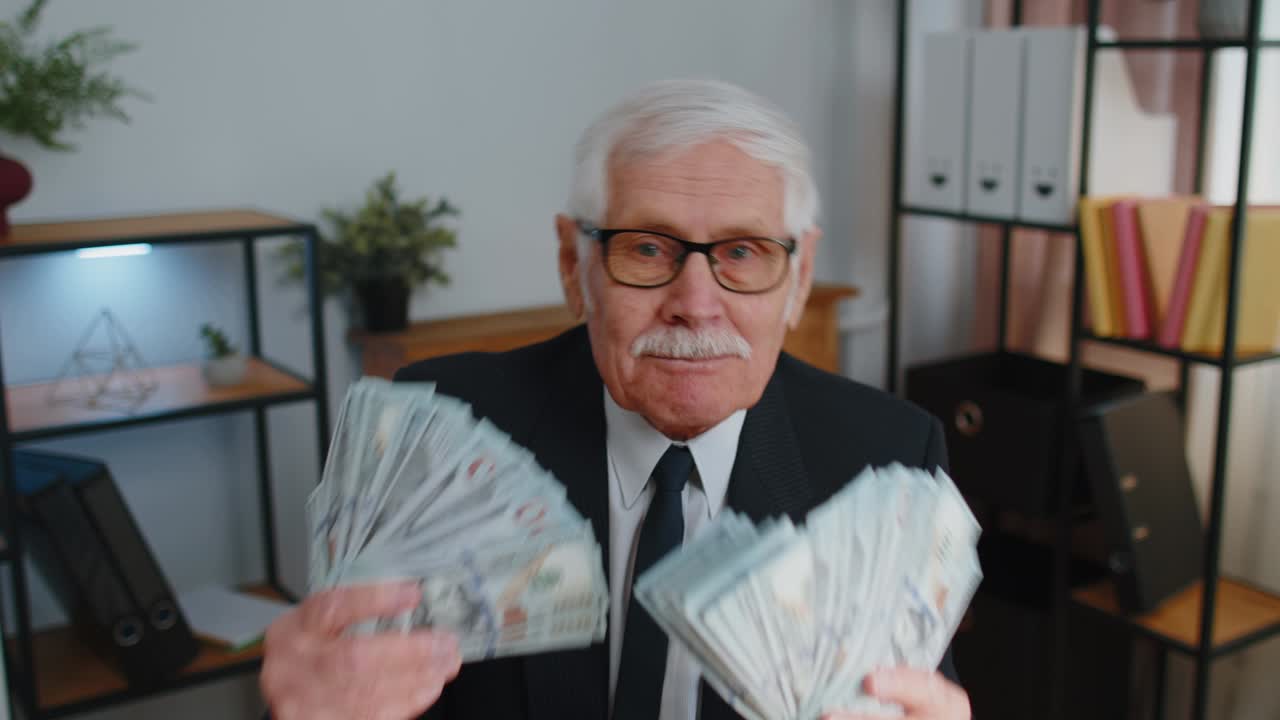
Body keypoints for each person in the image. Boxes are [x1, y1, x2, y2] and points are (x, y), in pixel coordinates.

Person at [260, 78, 972, 720]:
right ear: (575, 266)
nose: (696, 305)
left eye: (745, 252)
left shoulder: (889, 459)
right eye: (648, 249)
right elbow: (348, 685)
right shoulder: (440, 430)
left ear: (802, 275)